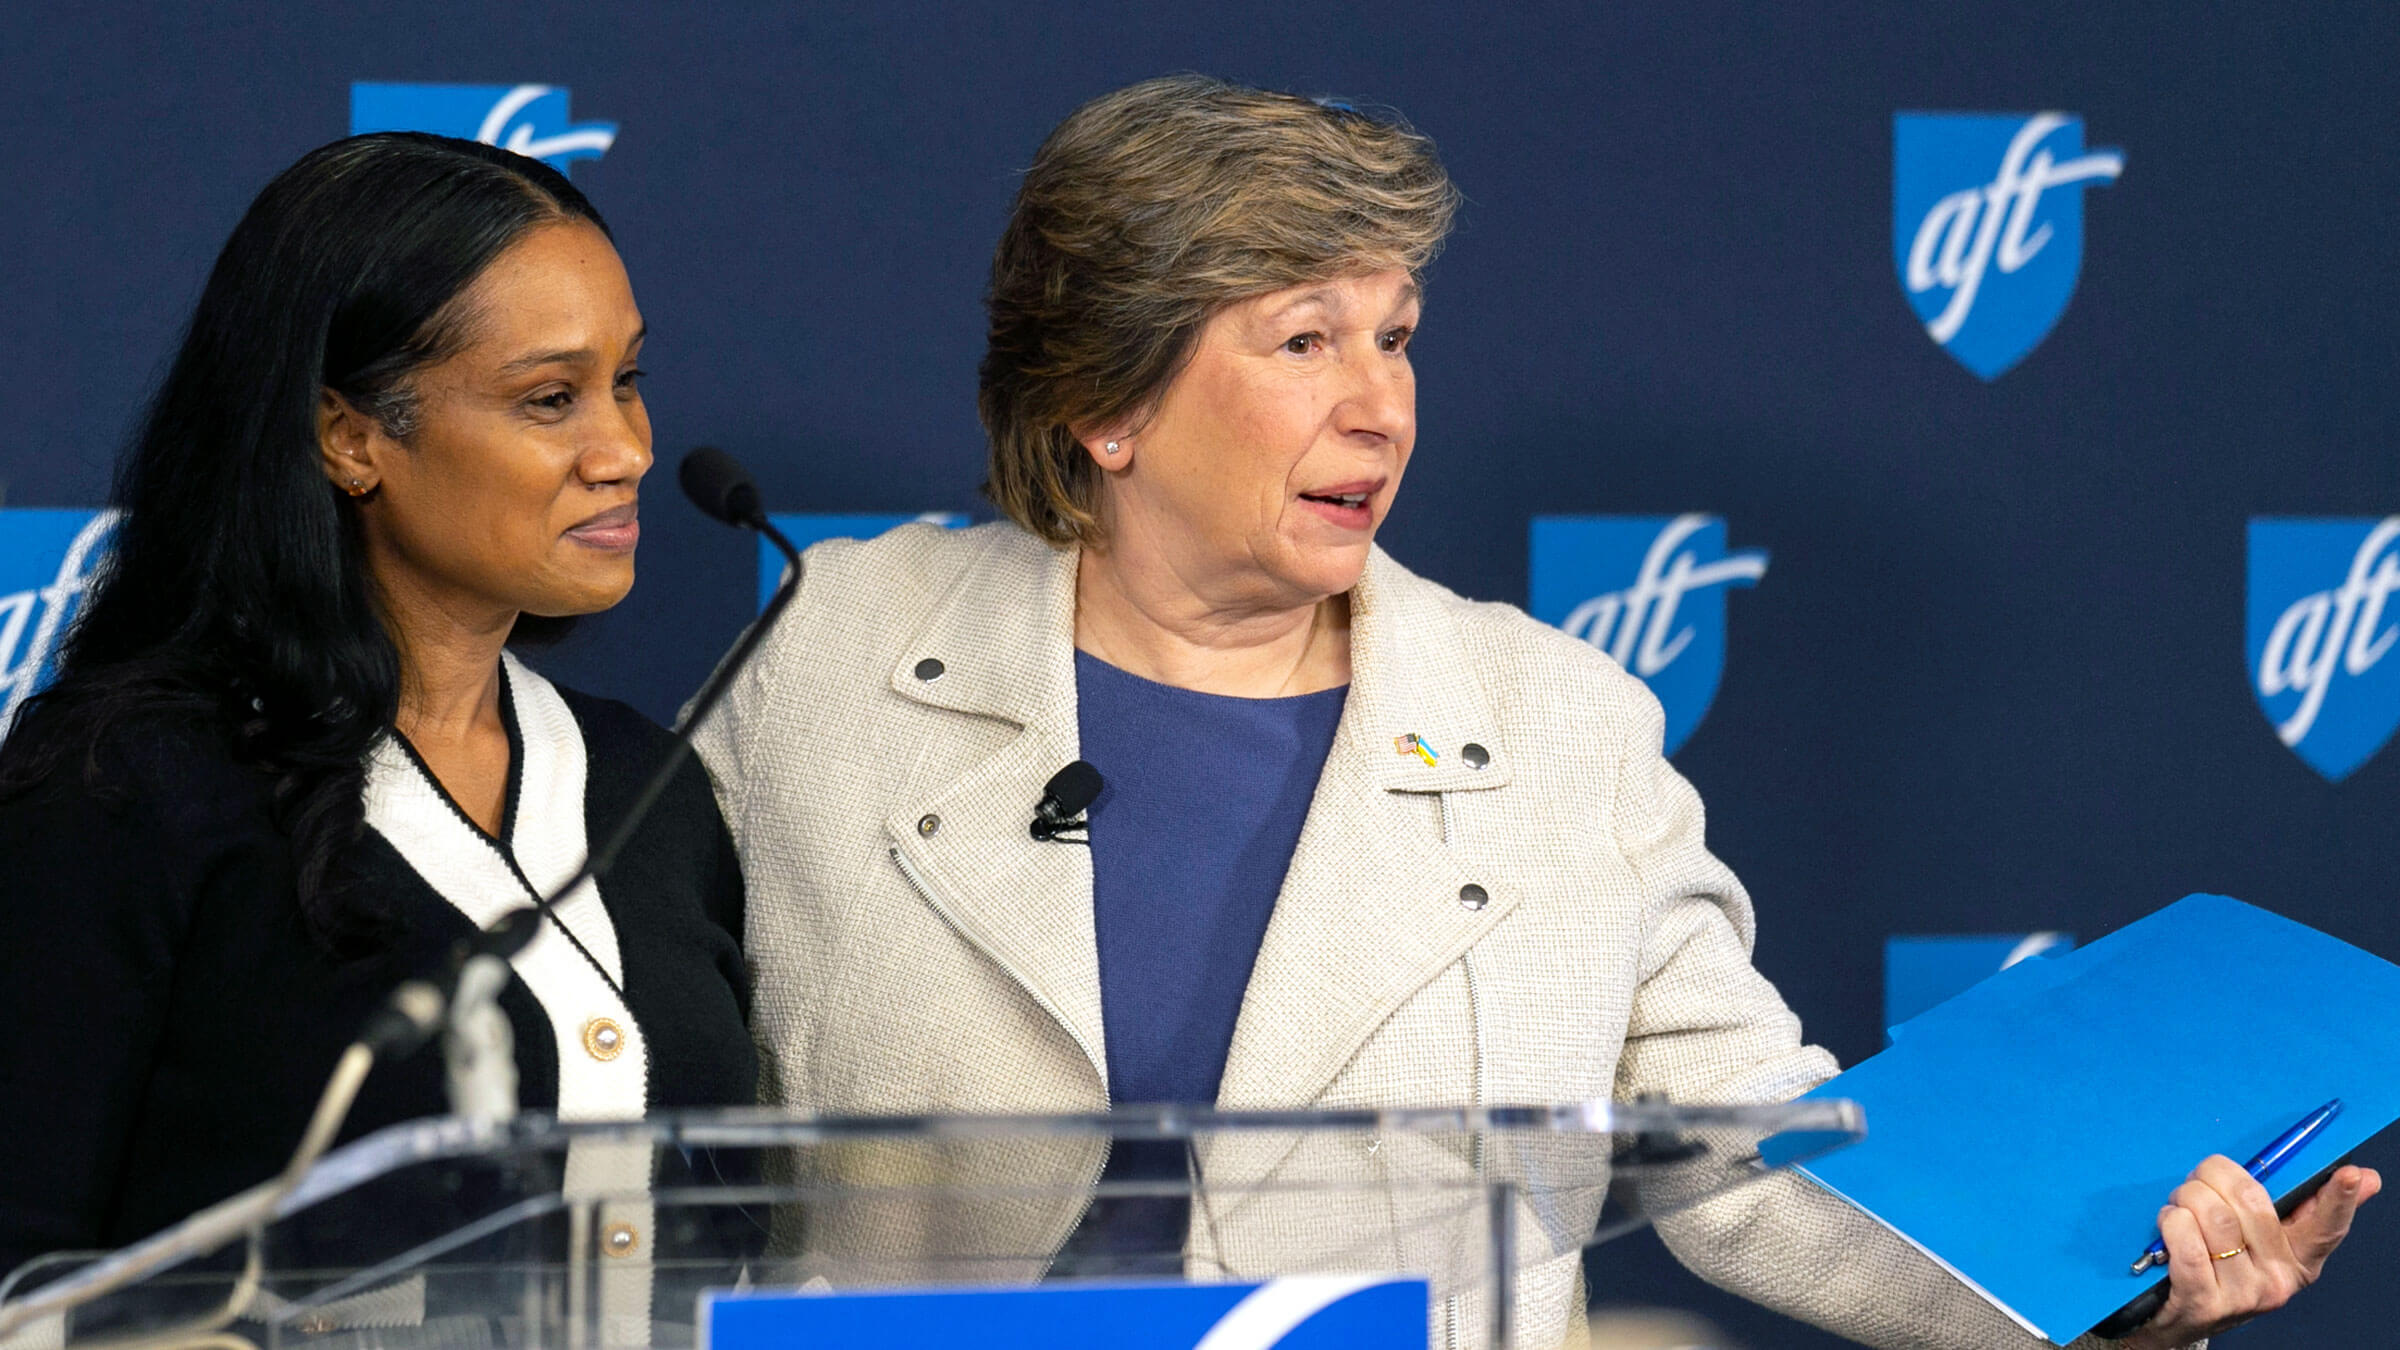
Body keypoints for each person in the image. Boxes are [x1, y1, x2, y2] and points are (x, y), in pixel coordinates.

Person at [692, 76, 2372, 1348]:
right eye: (1305, 340)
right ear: (1107, 404)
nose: (1381, 405)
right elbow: (633, 1090)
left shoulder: (1559, 725)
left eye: (1399, 338)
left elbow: (1748, 1166)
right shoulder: (839, 651)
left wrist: (2128, 1294)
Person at [0, 134, 754, 1289]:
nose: (628, 450)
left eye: (629, 381)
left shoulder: (648, 783)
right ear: (349, 437)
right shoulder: (124, 784)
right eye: (551, 398)